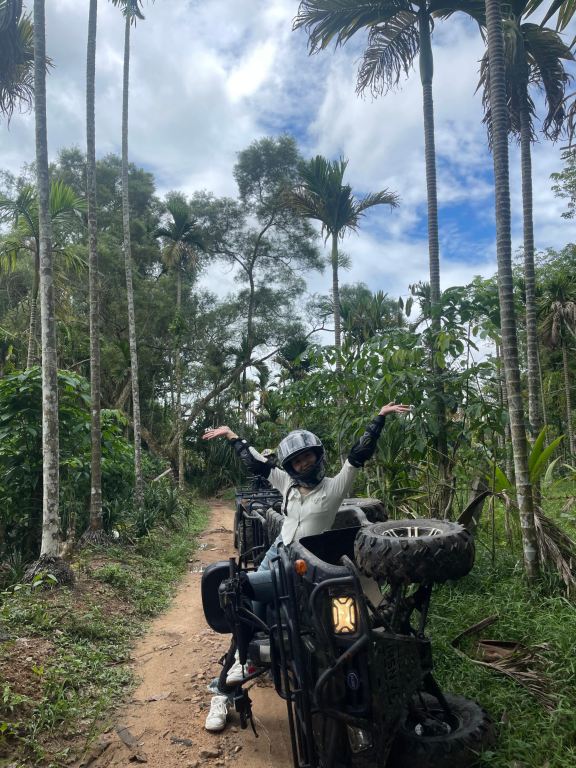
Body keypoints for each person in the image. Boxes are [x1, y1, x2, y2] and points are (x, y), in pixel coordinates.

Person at [201, 402, 410, 732]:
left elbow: (358, 455)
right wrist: (233, 437)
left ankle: (252, 666)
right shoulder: (287, 485)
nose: (303, 463)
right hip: (277, 552)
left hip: (303, 563)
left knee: (260, 597)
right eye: (297, 460)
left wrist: (379, 420)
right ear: (292, 465)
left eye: (308, 457)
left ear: (317, 456)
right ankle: (232, 678)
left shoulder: (334, 488)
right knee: (243, 595)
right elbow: (257, 464)